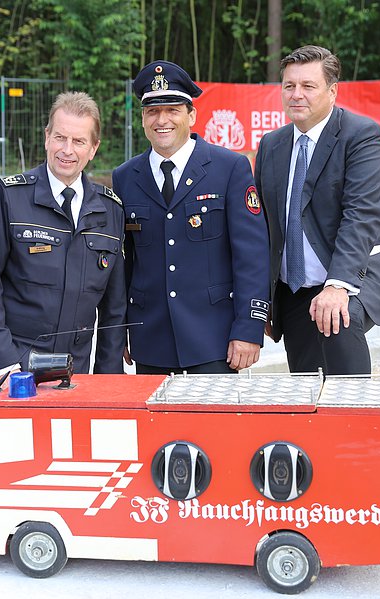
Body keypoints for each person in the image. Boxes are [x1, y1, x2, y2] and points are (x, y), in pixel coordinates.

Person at [254, 45, 380, 375]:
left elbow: (363, 214)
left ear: (332, 91)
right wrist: (262, 296)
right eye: (289, 86)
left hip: (350, 274)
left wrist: (338, 285)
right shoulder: (271, 145)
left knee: (339, 322)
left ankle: (358, 414)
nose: (296, 95)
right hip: (293, 285)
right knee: (307, 382)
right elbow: (264, 227)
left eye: (308, 86)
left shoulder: (361, 135)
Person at [112, 61, 270, 375]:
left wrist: (249, 329)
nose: (162, 120)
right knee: (156, 426)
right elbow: (125, 263)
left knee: (214, 426)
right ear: (143, 118)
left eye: (172, 110)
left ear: (192, 115)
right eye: (152, 112)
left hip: (214, 340)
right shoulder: (125, 177)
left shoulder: (229, 168)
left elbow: (251, 257)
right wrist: (122, 330)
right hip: (150, 339)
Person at [0, 91, 126, 398]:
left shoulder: (110, 211)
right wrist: (3, 366)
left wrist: (109, 379)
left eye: (78, 141)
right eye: (60, 137)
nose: (67, 150)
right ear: (46, 138)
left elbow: (114, 307)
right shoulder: (10, 198)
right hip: (16, 375)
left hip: (77, 378)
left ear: (93, 148)